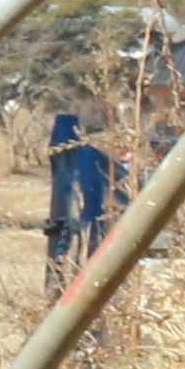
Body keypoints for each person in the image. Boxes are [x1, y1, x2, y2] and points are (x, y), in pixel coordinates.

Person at [44, 109, 124, 292]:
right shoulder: (62, 160)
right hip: (72, 226)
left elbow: (93, 195)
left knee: (88, 271)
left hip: (97, 222)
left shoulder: (84, 156)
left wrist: (81, 220)